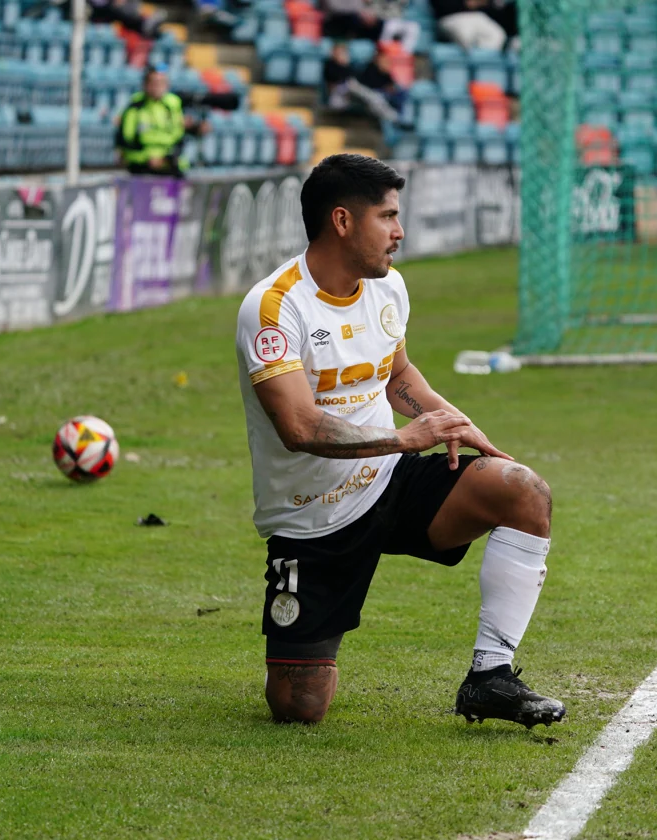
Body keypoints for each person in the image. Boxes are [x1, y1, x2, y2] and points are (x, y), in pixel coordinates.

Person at [235, 154, 565, 727]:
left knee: (523, 491)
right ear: (342, 221)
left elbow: (397, 374)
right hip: (312, 516)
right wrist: (406, 437)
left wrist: (454, 420)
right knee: (298, 705)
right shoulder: (273, 307)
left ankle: (490, 678)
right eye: (387, 216)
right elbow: (299, 428)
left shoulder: (387, 290)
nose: (399, 232)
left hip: (390, 478)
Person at [116, 66, 207, 177]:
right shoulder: (135, 107)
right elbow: (126, 142)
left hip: (171, 164)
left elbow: (178, 136)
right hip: (143, 167)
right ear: (145, 85)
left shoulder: (173, 105)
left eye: (162, 83)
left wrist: (194, 129)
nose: (158, 87)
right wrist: (147, 158)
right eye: (154, 83)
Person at [321, 0, 419, 54]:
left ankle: (402, 57)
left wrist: (367, 14)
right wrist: (362, 13)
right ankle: (382, 50)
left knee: (411, 27)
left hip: (366, 19)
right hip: (336, 21)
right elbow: (335, 7)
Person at [430, 0, 508, 51]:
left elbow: (494, 7)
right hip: (451, 17)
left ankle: (482, 68)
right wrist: (465, 3)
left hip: (477, 16)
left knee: (497, 35)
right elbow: (442, 6)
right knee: (465, 33)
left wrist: (480, 3)